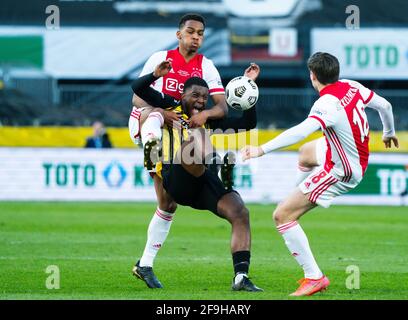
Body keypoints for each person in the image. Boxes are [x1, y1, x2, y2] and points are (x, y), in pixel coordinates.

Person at [242, 52, 399, 296]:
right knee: (306, 153)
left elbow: (299, 132)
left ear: (312, 76)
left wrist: (261, 149)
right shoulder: (351, 85)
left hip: (342, 170)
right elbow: (385, 105)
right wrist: (388, 132)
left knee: (282, 215)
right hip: (353, 151)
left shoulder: (325, 104)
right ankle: (296, 197)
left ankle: (314, 277)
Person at [131, 60, 263, 292]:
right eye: (195, 95)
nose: (201, 101)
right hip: (176, 175)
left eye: (204, 97)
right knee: (197, 138)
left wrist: (249, 87)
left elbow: (247, 123)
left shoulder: (209, 118)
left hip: (202, 183)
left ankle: (241, 278)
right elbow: (138, 89)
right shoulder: (170, 106)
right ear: (182, 94)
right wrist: (154, 75)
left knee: (240, 212)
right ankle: (220, 165)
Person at [128, 13, 235, 285]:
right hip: (148, 123)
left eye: (200, 33)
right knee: (153, 113)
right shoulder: (160, 58)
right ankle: (151, 156)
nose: (196, 37)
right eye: (191, 32)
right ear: (179, 34)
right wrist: (162, 111)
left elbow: (221, 107)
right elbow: (137, 97)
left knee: (168, 203)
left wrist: (205, 115)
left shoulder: (206, 66)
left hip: (177, 132)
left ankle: (145, 265)